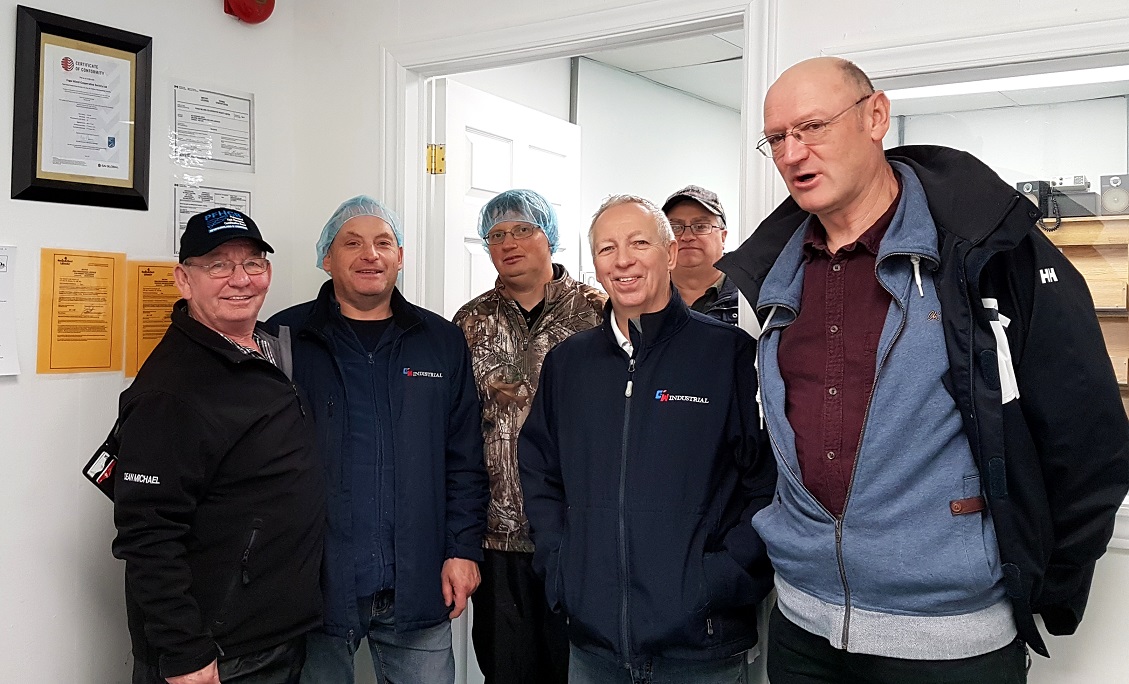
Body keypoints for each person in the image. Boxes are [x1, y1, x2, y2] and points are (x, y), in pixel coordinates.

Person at [715, 56, 1129, 683]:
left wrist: (1042, 580)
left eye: (813, 126)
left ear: (875, 116)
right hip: (803, 627)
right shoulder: (776, 278)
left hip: (950, 642)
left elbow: (1087, 433)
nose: (793, 153)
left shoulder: (987, 252)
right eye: (777, 138)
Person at [519, 195, 776, 684]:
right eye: (606, 248)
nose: (622, 260)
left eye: (639, 243)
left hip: (700, 642)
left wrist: (718, 579)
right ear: (593, 264)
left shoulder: (729, 356)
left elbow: (767, 483)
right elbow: (540, 471)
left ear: (670, 254)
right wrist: (562, 567)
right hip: (595, 647)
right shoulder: (568, 364)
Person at [268, 195, 489, 684]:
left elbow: (464, 459)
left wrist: (463, 549)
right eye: (352, 243)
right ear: (327, 258)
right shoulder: (284, 337)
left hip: (418, 580)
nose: (370, 254)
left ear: (400, 256)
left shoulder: (440, 340)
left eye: (383, 242)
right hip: (315, 583)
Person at [113, 208, 325, 684]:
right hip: (218, 652)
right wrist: (185, 652)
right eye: (217, 266)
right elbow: (147, 532)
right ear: (184, 280)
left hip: (272, 633)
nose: (240, 280)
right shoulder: (170, 391)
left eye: (252, 263)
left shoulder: (266, 348)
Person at [453, 189, 606, 683]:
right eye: (496, 235)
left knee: (579, 669)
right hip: (497, 540)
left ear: (550, 236)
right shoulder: (469, 322)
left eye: (523, 229)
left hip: (578, 535)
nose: (509, 243)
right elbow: (456, 430)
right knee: (508, 670)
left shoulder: (598, 313)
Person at [662, 185, 738, 324]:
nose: (687, 236)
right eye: (675, 228)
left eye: (700, 226)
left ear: (723, 237)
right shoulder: (644, 298)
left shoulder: (750, 298)